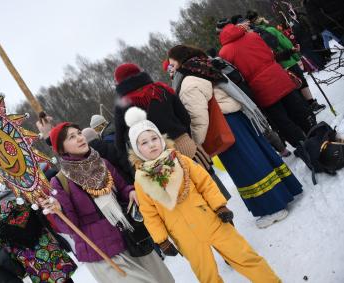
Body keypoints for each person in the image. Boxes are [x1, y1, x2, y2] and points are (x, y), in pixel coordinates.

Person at [125, 106, 281, 282]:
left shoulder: (181, 161)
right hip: (184, 235)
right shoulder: (141, 181)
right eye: (144, 143)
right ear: (137, 150)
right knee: (207, 277)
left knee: (245, 256)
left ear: (162, 139)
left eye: (154, 138)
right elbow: (149, 213)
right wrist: (162, 240)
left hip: (211, 220)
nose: (151, 144)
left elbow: (205, 184)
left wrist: (219, 206)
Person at [167, 45, 303, 228]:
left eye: (172, 63)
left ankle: (274, 208)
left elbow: (199, 119)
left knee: (248, 168)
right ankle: (286, 191)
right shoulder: (205, 66)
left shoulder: (189, 82)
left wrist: (197, 143)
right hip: (238, 118)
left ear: (180, 60)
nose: (171, 68)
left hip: (224, 126)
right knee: (259, 158)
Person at [40, 122, 174, 283]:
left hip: (130, 237)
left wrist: (130, 192)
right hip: (101, 253)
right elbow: (69, 227)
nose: (79, 138)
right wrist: (59, 210)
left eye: (79, 133)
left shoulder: (101, 163)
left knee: (163, 280)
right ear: (61, 149)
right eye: (72, 137)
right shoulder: (60, 182)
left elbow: (122, 187)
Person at [114, 63, 231, 200]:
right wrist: (184, 135)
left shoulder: (122, 105)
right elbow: (185, 117)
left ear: (119, 82)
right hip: (185, 147)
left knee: (184, 200)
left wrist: (132, 167)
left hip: (158, 160)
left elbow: (120, 143)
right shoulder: (162, 89)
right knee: (210, 189)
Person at [218, 22, 316, 150]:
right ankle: (316, 133)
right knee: (299, 109)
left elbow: (237, 76)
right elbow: (270, 54)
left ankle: (302, 145)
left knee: (282, 121)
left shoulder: (224, 53)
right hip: (278, 77)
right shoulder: (253, 36)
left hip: (260, 88)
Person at [246, 11, 326, 113]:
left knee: (293, 85)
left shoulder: (254, 36)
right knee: (301, 82)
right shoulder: (270, 30)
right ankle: (311, 104)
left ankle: (305, 108)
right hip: (287, 60)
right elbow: (285, 43)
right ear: (259, 19)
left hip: (276, 65)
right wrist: (296, 54)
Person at [0, 193, 77, 283]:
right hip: (55, 258)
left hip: (36, 269)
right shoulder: (32, 211)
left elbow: (10, 253)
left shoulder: (2, 230)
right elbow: (48, 226)